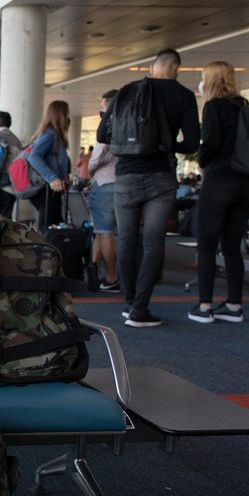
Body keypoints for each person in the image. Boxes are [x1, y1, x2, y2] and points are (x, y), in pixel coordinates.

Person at [98, 48, 200, 328]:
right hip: (161, 177)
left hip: (127, 176)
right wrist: (167, 144)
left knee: (126, 241)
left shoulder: (127, 92)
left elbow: (101, 134)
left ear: (153, 66)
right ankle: (141, 308)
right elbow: (192, 144)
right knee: (153, 243)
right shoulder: (184, 96)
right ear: (177, 68)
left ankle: (129, 302)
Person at [189, 62, 249, 324]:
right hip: (247, 184)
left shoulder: (214, 107)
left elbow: (210, 145)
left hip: (220, 181)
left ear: (211, 80)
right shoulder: (245, 106)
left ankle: (204, 306)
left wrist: (201, 159)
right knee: (232, 247)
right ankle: (234, 305)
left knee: (207, 246)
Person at [88, 90, 121, 292]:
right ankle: (94, 271)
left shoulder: (108, 126)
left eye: (102, 106)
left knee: (104, 231)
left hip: (105, 182)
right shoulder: (128, 125)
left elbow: (96, 158)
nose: (100, 110)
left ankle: (111, 277)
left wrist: (89, 168)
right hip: (123, 182)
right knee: (102, 231)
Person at [27, 101, 72, 229]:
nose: (68, 118)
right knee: (48, 227)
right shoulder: (50, 135)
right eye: (66, 114)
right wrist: (52, 178)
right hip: (47, 189)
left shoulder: (53, 135)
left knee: (53, 225)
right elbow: (34, 156)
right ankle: (45, 249)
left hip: (51, 189)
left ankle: (50, 249)